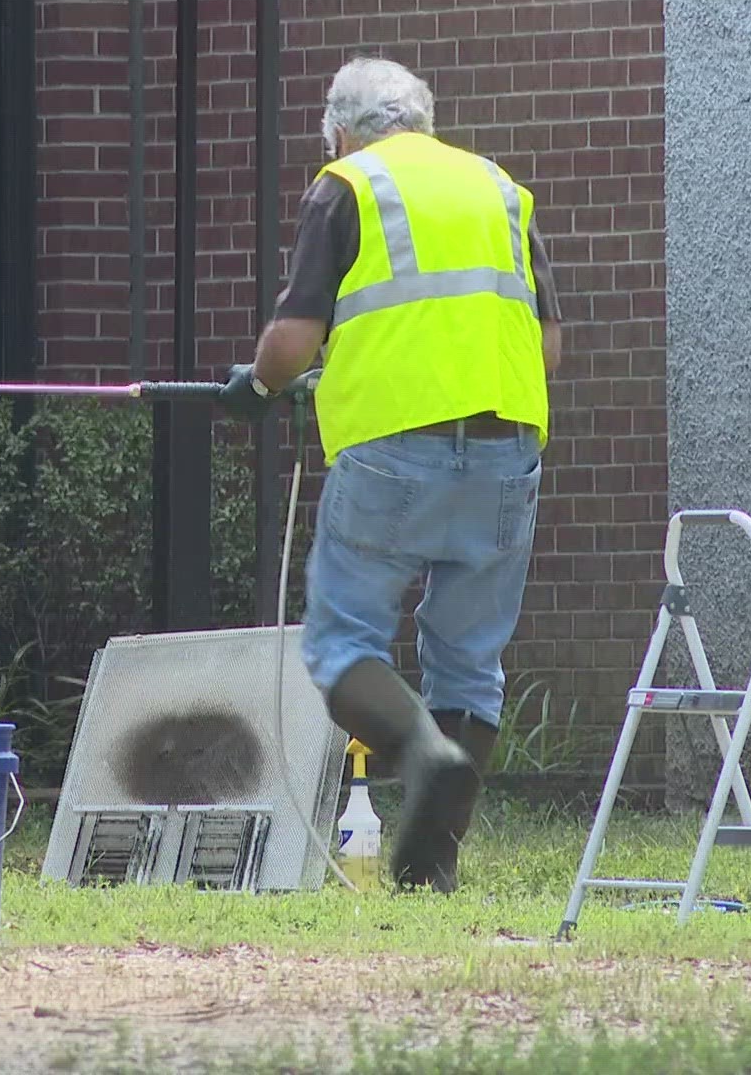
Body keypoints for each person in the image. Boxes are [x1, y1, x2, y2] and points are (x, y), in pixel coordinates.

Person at [218, 56, 563, 893]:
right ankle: (429, 866)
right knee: (471, 664)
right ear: (425, 119)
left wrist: (260, 386)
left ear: (340, 129)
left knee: (342, 645)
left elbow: (295, 337)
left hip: (390, 452)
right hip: (507, 447)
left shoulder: (348, 184)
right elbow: (546, 344)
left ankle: (419, 751)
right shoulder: (500, 191)